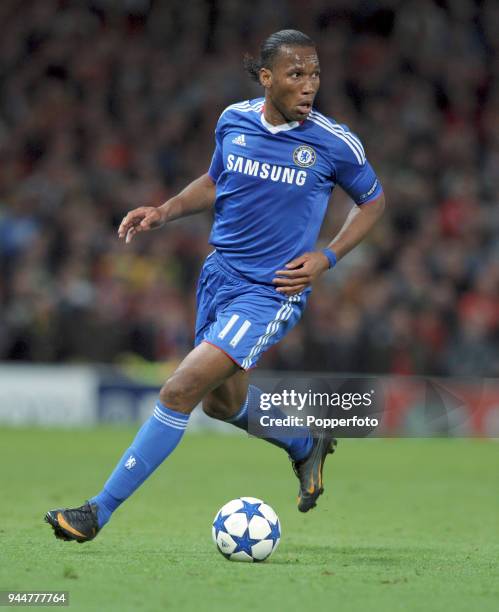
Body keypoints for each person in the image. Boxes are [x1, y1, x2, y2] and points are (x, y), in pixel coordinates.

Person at [45, 29, 385, 543]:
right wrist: (164, 211)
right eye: (297, 74)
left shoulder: (333, 143)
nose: (309, 84)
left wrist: (327, 256)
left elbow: (374, 201)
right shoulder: (234, 121)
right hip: (218, 278)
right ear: (267, 78)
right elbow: (214, 181)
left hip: (271, 290)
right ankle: (304, 442)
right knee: (221, 405)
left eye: (315, 74)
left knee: (179, 389)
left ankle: (97, 511)